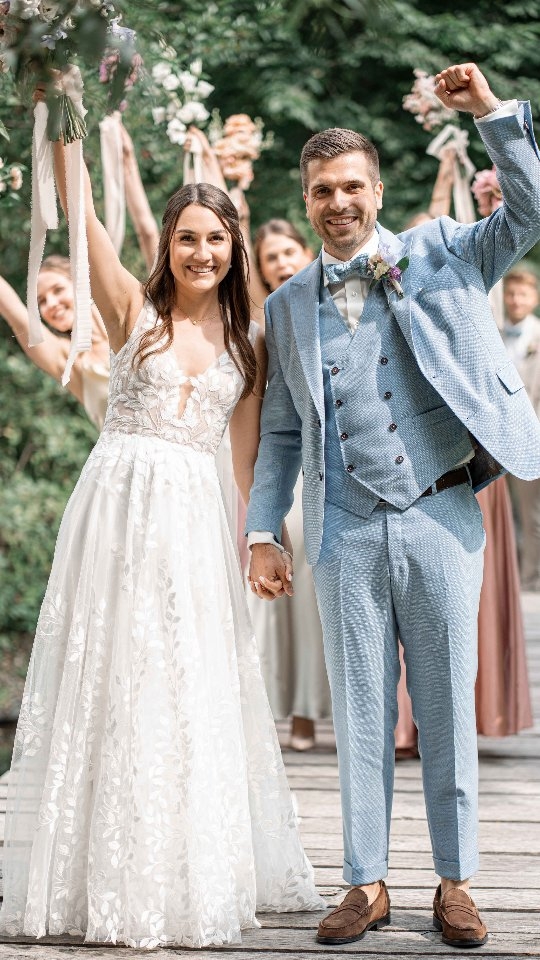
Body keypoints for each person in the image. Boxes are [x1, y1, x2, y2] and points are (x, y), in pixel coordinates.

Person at [0, 96, 324, 948]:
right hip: (115, 509)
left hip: (193, 518)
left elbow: (249, 462)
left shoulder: (250, 344)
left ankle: (181, 865)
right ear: (168, 246)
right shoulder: (129, 313)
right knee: (114, 669)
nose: (202, 252)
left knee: (183, 681)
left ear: (235, 248)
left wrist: (260, 540)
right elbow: (84, 220)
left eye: (216, 240)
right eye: (188, 238)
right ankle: (93, 870)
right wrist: (61, 104)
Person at [246, 62, 540, 949]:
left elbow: (529, 212)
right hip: (343, 526)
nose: (337, 202)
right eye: (321, 190)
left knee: (446, 704)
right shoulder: (288, 305)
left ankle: (454, 883)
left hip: (442, 512)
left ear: (377, 189)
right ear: (306, 199)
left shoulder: (446, 251)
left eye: (351, 186)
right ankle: (365, 882)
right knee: (361, 711)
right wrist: (263, 528)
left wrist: (491, 113)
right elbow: (284, 435)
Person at [249, 220, 332, 750]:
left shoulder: (335, 301)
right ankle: (287, 711)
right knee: (285, 597)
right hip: (285, 462)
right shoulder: (269, 320)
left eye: (286, 252)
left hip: (336, 462)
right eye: (268, 259)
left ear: (304, 251)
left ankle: (319, 713)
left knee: (316, 596)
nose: (279, 263)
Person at [0, 256, 109, 429]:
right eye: (41, 301)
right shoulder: (67, 359)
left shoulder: (130, 324)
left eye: (58, 290)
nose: (50, 304)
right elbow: (14, 312)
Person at [502, 268, 540, 590]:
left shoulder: (539, 336)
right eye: (511, 294)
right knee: (503, 512)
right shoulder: (493, 332)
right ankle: (508, 577)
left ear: (535, 298)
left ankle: (530, 579)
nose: (516, 300)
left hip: (531, 438)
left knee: (533, 516)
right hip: (494, 440)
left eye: (523, 294)